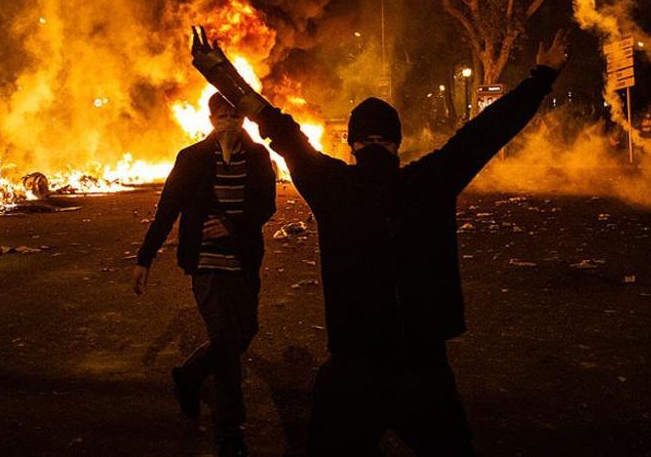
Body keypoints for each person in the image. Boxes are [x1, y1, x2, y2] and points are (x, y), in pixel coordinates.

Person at [190, 25, 568, 455]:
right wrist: (543, 74)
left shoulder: (331, 185)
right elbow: (488, 131)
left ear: (352, 146)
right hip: (423, 368)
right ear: (396, 145)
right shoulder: (430, 181)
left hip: (354, 369)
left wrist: (218, 72)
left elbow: (275, 124)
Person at [132, 93, 276, 457]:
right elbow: (167, 209)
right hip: (207, 265)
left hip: (243, 261)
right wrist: (144, 258)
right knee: (226, 342)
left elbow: (266, 205)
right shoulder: (192, 158)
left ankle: (190, 376)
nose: (229, 123)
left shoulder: (258, 157)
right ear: (211, 121)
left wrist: (232, 224)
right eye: (222, 116)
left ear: (243, 120)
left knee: (245, 332)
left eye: (235, 116)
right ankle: (230, 431)